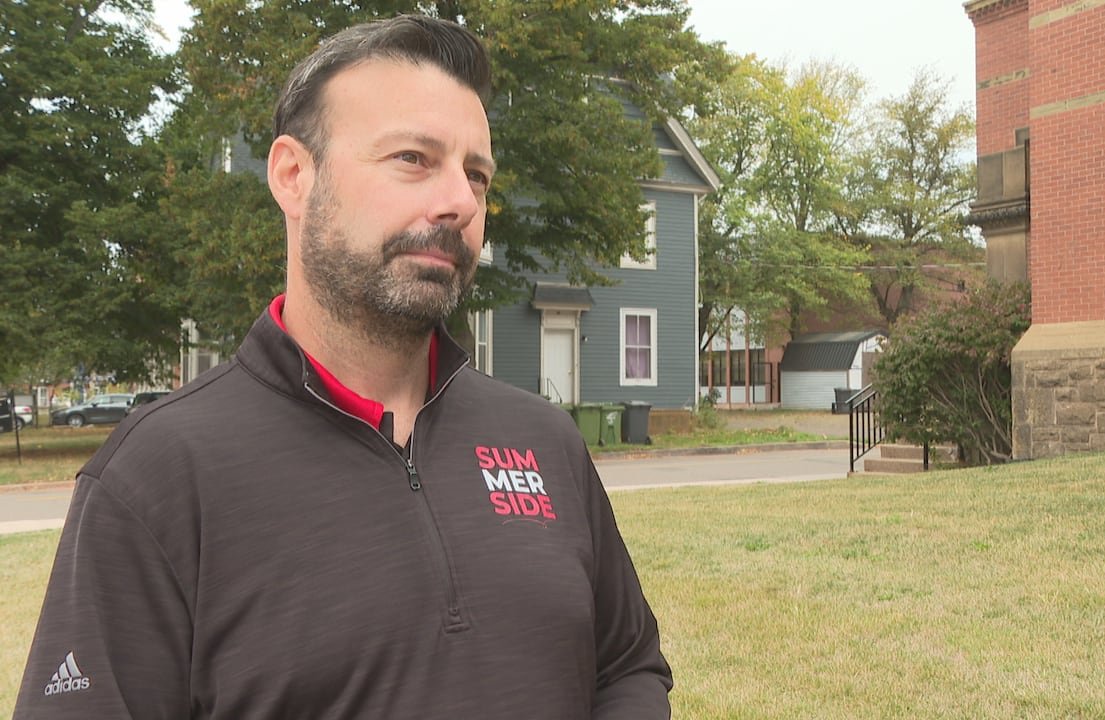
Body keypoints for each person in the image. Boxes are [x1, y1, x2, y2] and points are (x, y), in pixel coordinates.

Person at [15, 15, 671, 719]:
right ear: (294, 176)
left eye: (476, 174)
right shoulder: (156, 478)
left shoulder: (546, 442)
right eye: (413, 159)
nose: (460, 202)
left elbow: (627, 666)